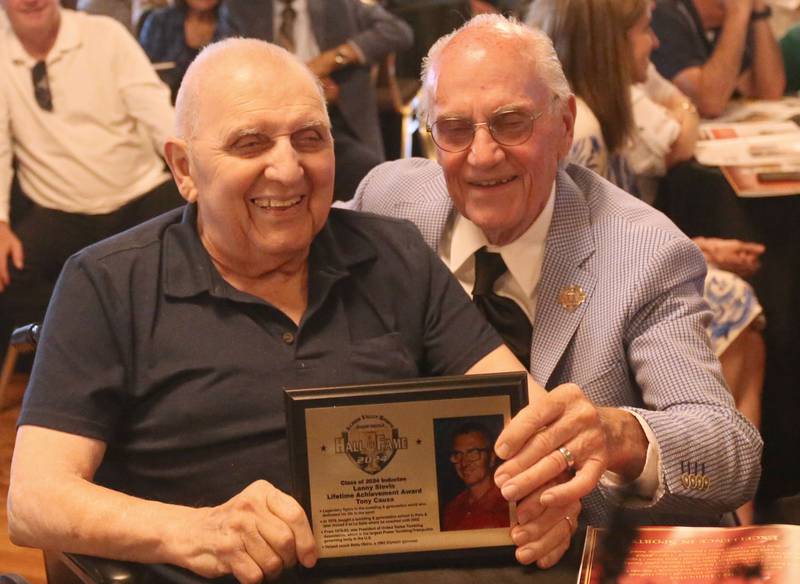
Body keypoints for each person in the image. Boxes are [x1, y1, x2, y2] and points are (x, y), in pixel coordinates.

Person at [8, 38, 590, 582]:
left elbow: (524, 414)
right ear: (184, 169)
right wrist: (197, 531)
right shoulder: (109, 282)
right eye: (249, 143)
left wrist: (550, 494)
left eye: (310, 138)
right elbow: (35, 501)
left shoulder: (393, 254)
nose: (288, 170)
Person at [348, 14, 762, 529]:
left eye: (510, 122)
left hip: (586, 549)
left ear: (564, 125)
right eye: (454, 130)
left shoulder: (643, 254)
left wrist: (616, 437)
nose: (481, 155)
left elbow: (730, 454)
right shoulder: (387, 201)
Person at [0, 1, 182, 366]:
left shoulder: (105, 35)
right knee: (10, 271)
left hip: (141, 193)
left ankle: (169, 366)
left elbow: (157, 112)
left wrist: (195, 170)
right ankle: (71, 374)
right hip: (60, 209)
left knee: (201, 246)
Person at [219, 0, 413, 201]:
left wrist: (334, 58)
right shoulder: (241, 8)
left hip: (335, 124)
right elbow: (228, 66)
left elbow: (398, 31)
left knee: (367, 174)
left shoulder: (339, 5)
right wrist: (305, 91)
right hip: (266, 124)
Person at [650, 0, 785, 118]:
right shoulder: (663, 14)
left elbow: (770, 92)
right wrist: (737, 14)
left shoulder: (730, 21)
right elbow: (710, 104)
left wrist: (759, 14)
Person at [138, 0, 224, 100]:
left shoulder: (232, 23)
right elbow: (143, 76)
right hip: (164, 103)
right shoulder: (159, 22)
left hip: (218, 103)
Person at [442, 422, 511, 531]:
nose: (464, 463)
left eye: (473, 453)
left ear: (492, 458)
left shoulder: (508, 505)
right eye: (458, 455)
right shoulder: (452, 509)